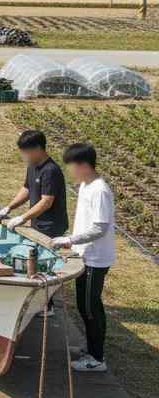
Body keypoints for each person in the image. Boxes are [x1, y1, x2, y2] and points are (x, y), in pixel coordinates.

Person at [52, 143, 116, 373]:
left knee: (91, 308)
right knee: (84, 306)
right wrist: (73, 240)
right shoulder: (86, 186)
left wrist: (70, 240)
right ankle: (90, 348)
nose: (69, 170)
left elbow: (99, 227)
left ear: (82, 165)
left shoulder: (99, 190)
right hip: (84, 254)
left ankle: (97, 358)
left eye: (70, 166)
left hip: (95, 259)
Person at [0, 129, 69, 238]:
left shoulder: (50, 170)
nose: (23, 156)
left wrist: (23, 218)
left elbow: (46, 202)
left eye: (25, 152)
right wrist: (9, 207)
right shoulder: (32, 165)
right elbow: (27, 189)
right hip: (37, 222)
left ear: (37, 149)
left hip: (50, 227)